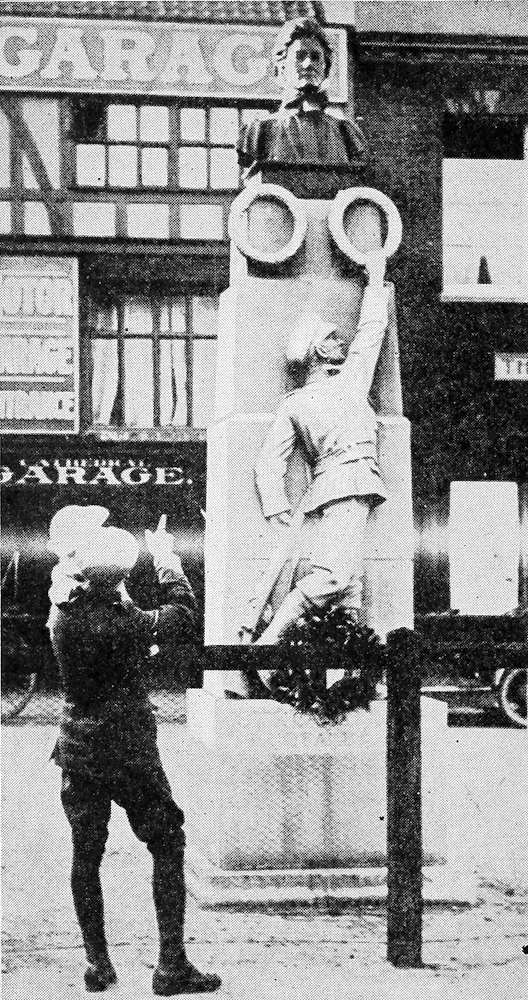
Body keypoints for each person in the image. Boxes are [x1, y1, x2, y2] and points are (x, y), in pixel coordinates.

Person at [47, 507, 220, 995]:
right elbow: (183, 613)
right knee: (166, 842)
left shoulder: (62, 609)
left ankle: (98, 965)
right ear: (119, 575)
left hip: (78, 745)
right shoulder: (128, 622)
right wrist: (166, 558)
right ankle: (171, 966)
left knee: (86, 852)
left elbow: (81, 576)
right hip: (129, 749)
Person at [243, 252, 390, 645]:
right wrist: (375, 280)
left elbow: (268, 463)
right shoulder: (350, 382)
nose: (340, 340)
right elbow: (372, 329)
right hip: (351, 483)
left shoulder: (294, 403)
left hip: (330, 488)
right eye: (330, 337)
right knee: (335, 577)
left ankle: (346, 668)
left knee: (351, 584)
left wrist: (276, 506)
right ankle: (268, 645)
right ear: (318, 351)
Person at [237, 17, 368, 178]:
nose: (308, 64)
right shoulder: (259, 130)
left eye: (315, 57)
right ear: (282, 67)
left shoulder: (346, 132)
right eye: (300, 56)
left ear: (325, 68)